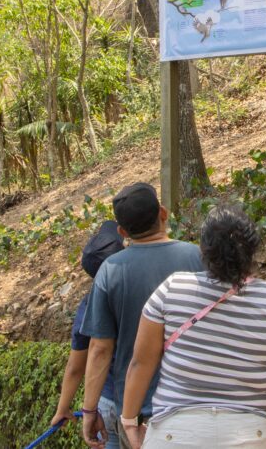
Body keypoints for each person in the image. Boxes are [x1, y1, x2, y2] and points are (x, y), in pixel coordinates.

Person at [120, 207, 266, 449]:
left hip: (175, 434)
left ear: (203, 250)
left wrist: (129, 421)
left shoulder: (172, 289)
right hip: (251, 435)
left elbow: (141, 363)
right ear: (253, 250)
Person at [81, 183, 204, 449]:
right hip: (200, 404)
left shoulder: (110, 271)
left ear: (123, 232)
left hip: (139, 416)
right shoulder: (199, 258)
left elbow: (100, 349)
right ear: (163, 213)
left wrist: (90, 410)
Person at [50, 219, 125, 445]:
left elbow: (75, 367)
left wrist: (63, 408)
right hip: (144, 401)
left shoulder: (87, 305)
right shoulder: (143, 295)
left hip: (108, 402)